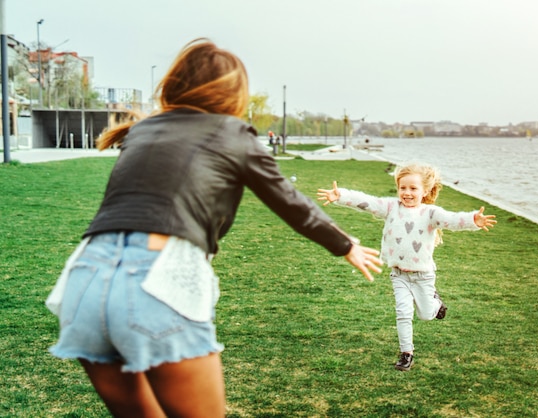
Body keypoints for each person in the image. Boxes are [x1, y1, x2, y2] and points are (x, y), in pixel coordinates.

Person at [45, 38, 382, 417]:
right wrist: (345, 244)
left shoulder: (144, 130)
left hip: (83, 278)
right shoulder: (232, 133)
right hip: (155, 278)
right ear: (233, 94)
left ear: (175, 82)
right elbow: (290, 201)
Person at [317, 161, 496, 372]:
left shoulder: (430, 213)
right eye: (403, 188)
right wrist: (341, 196)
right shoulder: (392, 208)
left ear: (425, 191)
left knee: (426, 314)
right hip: (399, 275)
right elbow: (367, 201)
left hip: (423, 277)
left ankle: (436, 304)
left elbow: (451, 220)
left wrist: (472, 219)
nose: (407, 193)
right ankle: (406, 353)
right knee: (403, 313)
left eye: (413, 188)